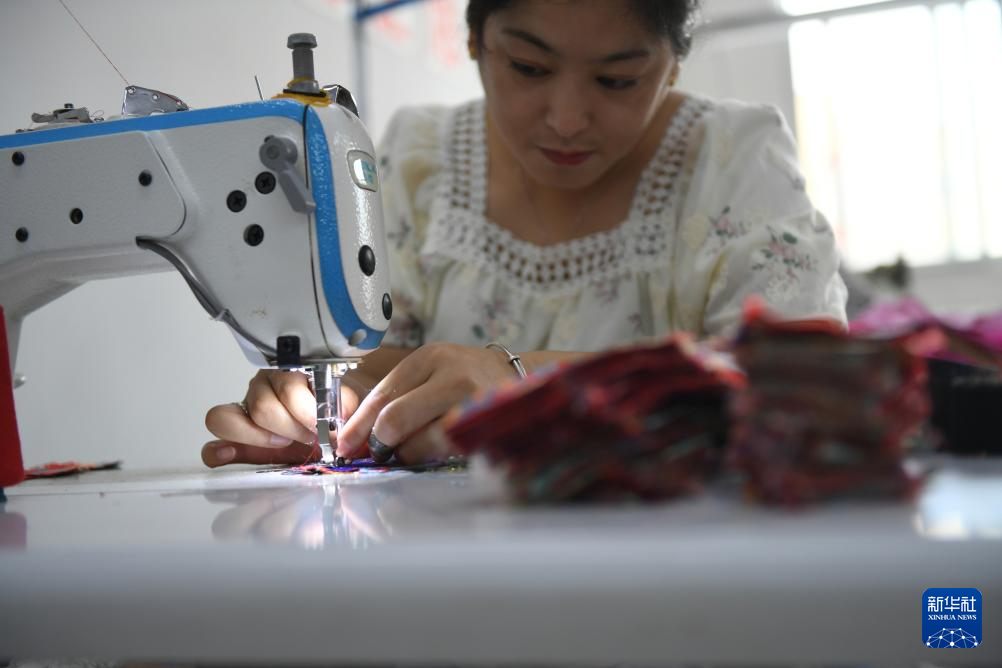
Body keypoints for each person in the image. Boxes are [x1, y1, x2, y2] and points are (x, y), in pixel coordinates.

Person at [201, 0, 848, 468]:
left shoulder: (735, 161)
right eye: (529, 67)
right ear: (475, 40)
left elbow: (808, 384)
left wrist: (522, 382)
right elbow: (384, 356)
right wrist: (329, 407)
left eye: (617, 80)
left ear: (674, 64)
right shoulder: (422, 159)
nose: (566, 119)